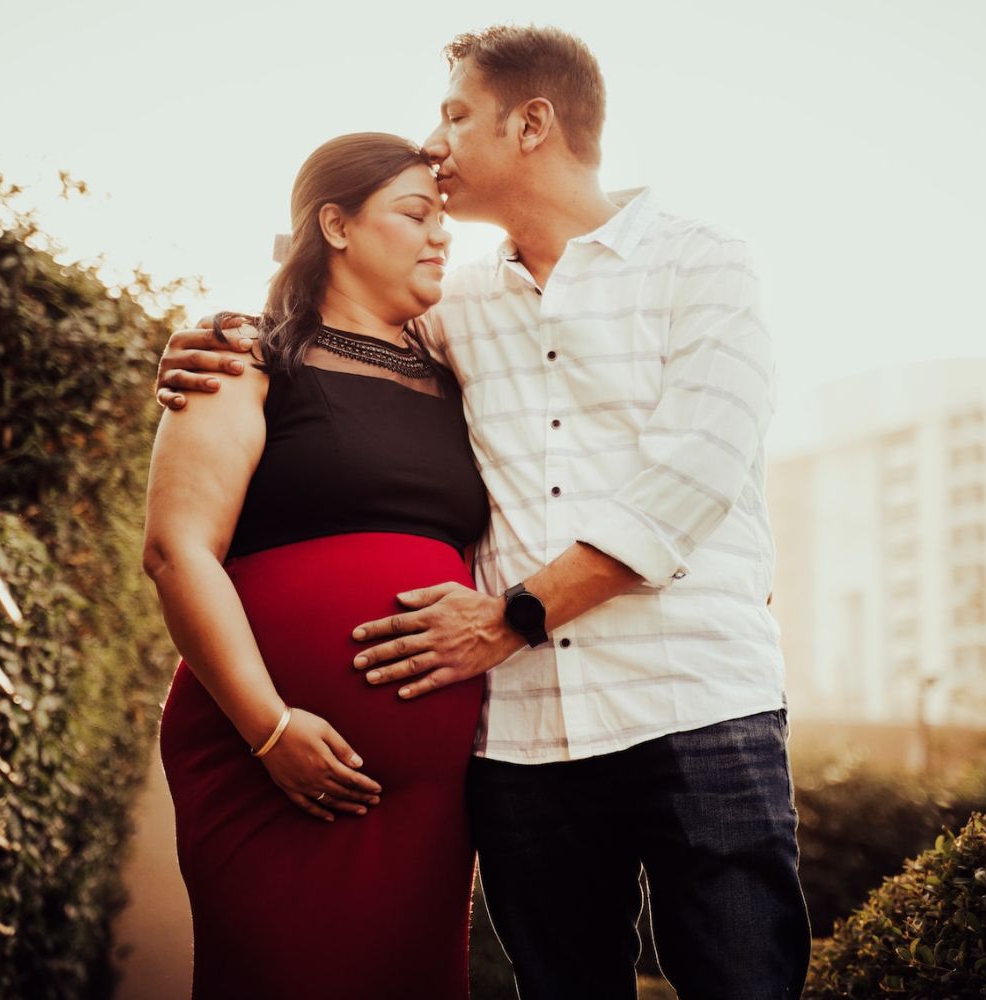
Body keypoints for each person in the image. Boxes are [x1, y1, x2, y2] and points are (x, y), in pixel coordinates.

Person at [156, 26, 811, 999]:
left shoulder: (701, 266)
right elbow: (327, 322)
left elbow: (694, 476)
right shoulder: (452, 308)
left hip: (693, 703)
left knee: (741, 982)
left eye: (457, 114)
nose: (438, 138)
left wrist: (512, 617)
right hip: (526, 741)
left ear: (532, 123)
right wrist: (205, 337)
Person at [142, 131, 489, 1000]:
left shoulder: (460, 373)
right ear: (335, 224)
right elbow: (176, 549)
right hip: (264, 761)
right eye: (416, 213)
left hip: (430, 799)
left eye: (445, 217)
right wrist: (268, 729)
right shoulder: (245, 354)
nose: (441, 234)